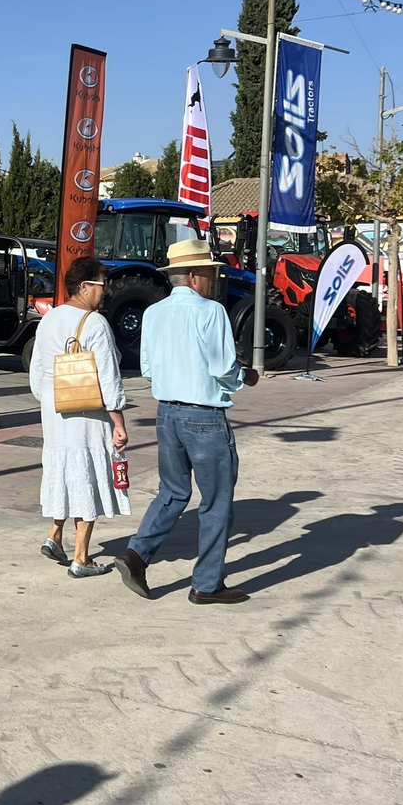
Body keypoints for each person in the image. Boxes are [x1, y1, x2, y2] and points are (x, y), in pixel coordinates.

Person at [115, 238, 260, 606]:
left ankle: (137, 553)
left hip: (167, 412)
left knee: (173, 491)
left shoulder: (154, 313)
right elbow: (223, 367)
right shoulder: (211, 312)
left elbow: (146, 367)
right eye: (210, 273)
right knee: (216, 501)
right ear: (195, 276)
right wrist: (244, 378)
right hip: (204, 416)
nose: (212, 280)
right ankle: (207, 583)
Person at [30, 256, 129, 577]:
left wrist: (49, 399)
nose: (106, 292)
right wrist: (118, 421)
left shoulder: (49, 319)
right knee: (87, 474)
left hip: (55, 411)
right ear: (85, 287)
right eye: (103, 285)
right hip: (88, 412)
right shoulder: (95, 323)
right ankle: (82, 557)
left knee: (63, 472)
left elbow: (37, 371)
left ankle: (54, 535)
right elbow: (108, 377)